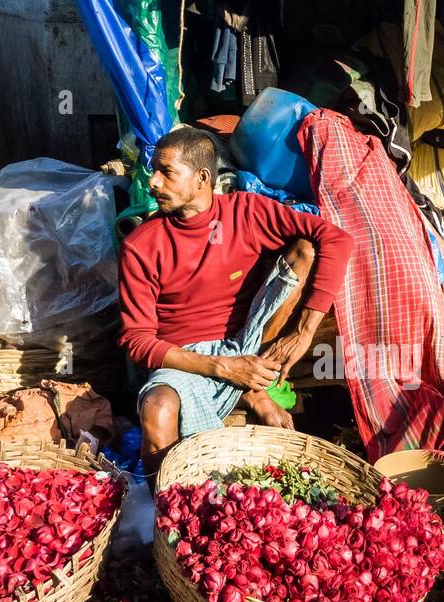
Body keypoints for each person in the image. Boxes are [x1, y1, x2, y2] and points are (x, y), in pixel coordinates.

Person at [119, 127, 354, 475]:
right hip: (186, 362)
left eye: (166, 172)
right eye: (154, 170)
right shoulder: (142, 245)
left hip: (248, 343)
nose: (153, 182)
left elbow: (336, 239)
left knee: (306, 248)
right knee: (157, 406)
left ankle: (254, 390)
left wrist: (305, 332)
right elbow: (136, 340)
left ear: (202, 178)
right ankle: (162, 508)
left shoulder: (245, 212)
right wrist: (224, 368)